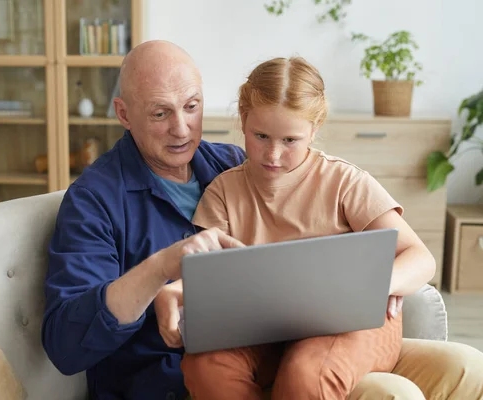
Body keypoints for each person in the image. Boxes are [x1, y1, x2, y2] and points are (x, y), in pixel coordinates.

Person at [174, 56, 483, 399]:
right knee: (204, 365)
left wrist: (378, 285)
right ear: (243, 119)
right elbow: (207, 277)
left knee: (307, 373)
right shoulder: (222, 192)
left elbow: (421, 258)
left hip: (351, 325)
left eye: (290, 140)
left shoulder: (344, 182)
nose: (273, 154)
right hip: (260, 333)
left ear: (315, 128)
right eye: (261, 136)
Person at [41, 40, 246, 400]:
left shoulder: (234, 164)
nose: (181, 129)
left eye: (191, 107)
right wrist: (162, 266)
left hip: (250, 361)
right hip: (160, 386)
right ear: (123, 114)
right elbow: (65, 346)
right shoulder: (93, 200)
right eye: (160, 113)